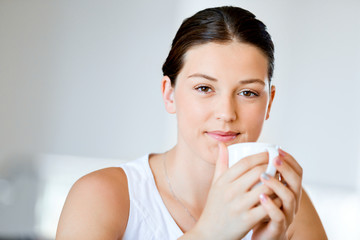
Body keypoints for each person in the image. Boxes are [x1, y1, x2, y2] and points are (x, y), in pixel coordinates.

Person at [56, 6, 327, 240]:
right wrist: (209, 233)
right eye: (204, 88)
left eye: (248, 93)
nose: (226, 113)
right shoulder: (103, 197)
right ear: (169, 94)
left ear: (269, 103)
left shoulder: (288, 205)